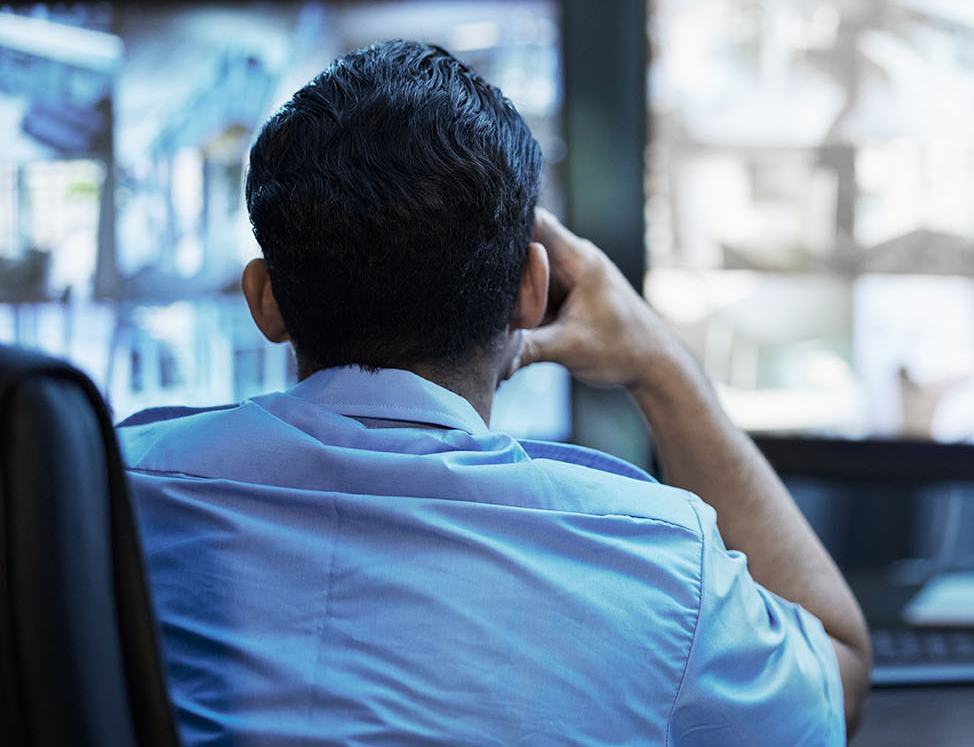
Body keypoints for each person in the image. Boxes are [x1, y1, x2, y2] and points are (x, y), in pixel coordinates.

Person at [117, 40, 870, 744]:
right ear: (531, 292)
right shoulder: (659, 558)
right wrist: (662, 368)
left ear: (264, 300)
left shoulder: (103, 494)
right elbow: (838, 678)